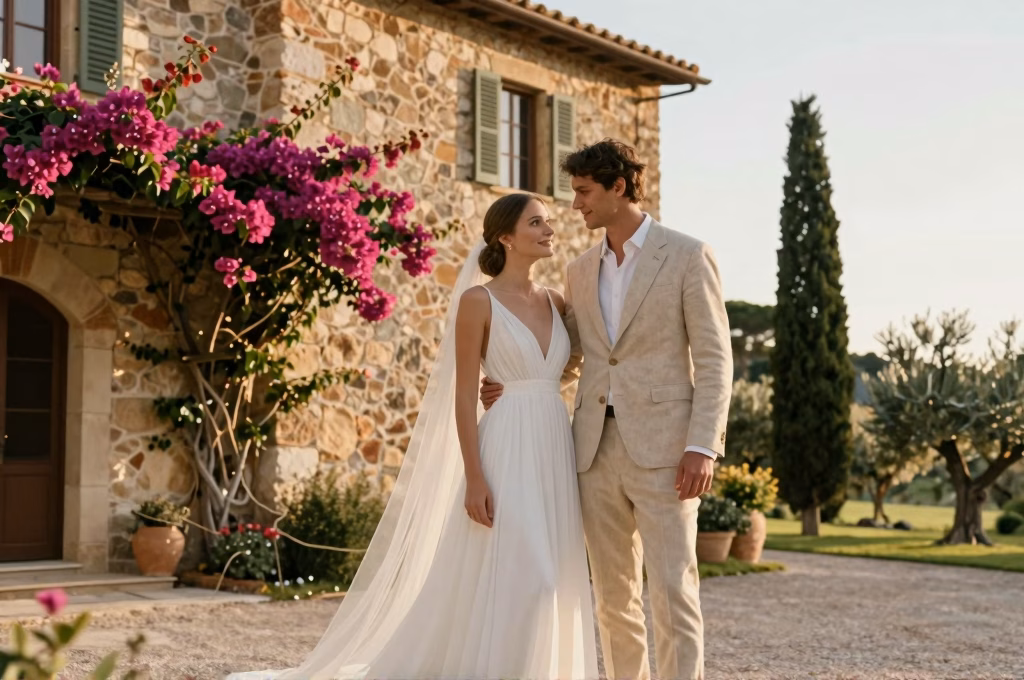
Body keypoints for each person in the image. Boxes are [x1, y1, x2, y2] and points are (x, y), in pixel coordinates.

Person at [227, 192, 598, 680]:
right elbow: (464, 396)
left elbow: (568, 365)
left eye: (548, 221)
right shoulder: (477, 302)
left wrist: (529, 385)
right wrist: (474, 478)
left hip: (552, 442)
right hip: (506, 447)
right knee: (532, 578)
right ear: (505, 237)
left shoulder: (555, 300)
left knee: (552, 574)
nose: (550, 230)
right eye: (536, 223)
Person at [482, 139, 733, 680]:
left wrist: (701, 445)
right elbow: (575, 356)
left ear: (618, 187)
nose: (576, 206)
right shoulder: (577, 270)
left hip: (668, 450)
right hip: (593, 450)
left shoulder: (688, 254)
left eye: (584, 192)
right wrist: (519, 384)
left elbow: (715, 359)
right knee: (613, 598)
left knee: (672, 590)